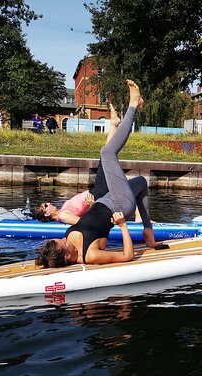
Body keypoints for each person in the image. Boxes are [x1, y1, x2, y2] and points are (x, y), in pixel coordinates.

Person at [35, 80, 157, 268]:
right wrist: (123, 225)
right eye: (65, 243)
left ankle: (148, 231)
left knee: (141, 182)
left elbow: (87, 224)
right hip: (120, 206)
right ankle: (134, 105)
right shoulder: (89, 255)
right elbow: (127, 256)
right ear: (67, 256)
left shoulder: (64, 241)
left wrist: (92, 207)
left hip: (103, 201)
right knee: (107, 153)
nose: (65, 239)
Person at [34, 105, 123, 225]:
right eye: (46, 205)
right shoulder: (63, 215)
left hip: (95, 193)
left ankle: (114, 125)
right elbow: (84, 224)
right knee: (106, 156)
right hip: (97, 195)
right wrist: (93, 206)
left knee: (107, 156)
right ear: (47, 214)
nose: (48, 203)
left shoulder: (63, 212)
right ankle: (114, 125)